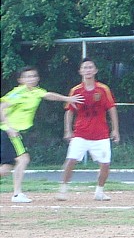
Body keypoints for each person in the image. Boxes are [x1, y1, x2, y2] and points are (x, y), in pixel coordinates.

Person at [1, 66, 83, 203]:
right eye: (27, 76)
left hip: (16, 133)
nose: (31, 79)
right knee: (23, 159)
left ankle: (17, 193)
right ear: (20, 80)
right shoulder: (18, 92)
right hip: (9, 132)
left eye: (33, 76)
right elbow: (2, 107)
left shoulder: (36, 91)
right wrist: (9, 128)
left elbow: (48, 95)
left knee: (6, 168)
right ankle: (17, 194)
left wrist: (68, 98)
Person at [58, 58, 120, 201]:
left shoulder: (103, 89)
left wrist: (115, 129)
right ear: (80, 71)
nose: (88, 70)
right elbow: (69, 111)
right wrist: (68, 130)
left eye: (90, 67)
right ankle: (63, 189)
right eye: (85, 67)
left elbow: (111, 109)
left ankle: (99, 191)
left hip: (101, 134)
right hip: (80, 133)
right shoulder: (76, 90)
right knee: (71, 160)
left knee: (105, 164)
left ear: (95, 70)